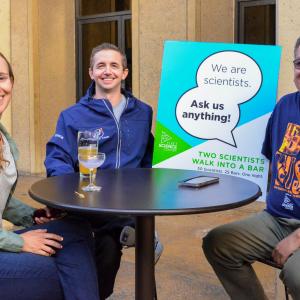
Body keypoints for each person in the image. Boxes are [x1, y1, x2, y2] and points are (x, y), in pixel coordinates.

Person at [45, 43, 155, 299]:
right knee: (86, 271)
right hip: (85, 206)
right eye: (101, 66)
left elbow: (149, 157)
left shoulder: (143, 112)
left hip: (126, 209)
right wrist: (68, 189)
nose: (108, 71)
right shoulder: (72, 115)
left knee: (106, 261)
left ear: (124, 72)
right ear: (91, 72)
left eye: (114, 65)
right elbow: (57, 156)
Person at [202, 37, 300, 300]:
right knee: (218, 243)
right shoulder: (285, 106)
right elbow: (271, 162)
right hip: (276, 218)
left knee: (296, 273)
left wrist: (296, 240)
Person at [0, 52, 100, 300]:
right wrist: (20, 243)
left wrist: (31, 216)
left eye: (1, 78)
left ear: (11, 82)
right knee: (54, 271)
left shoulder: (4, 139)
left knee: (75, 228)